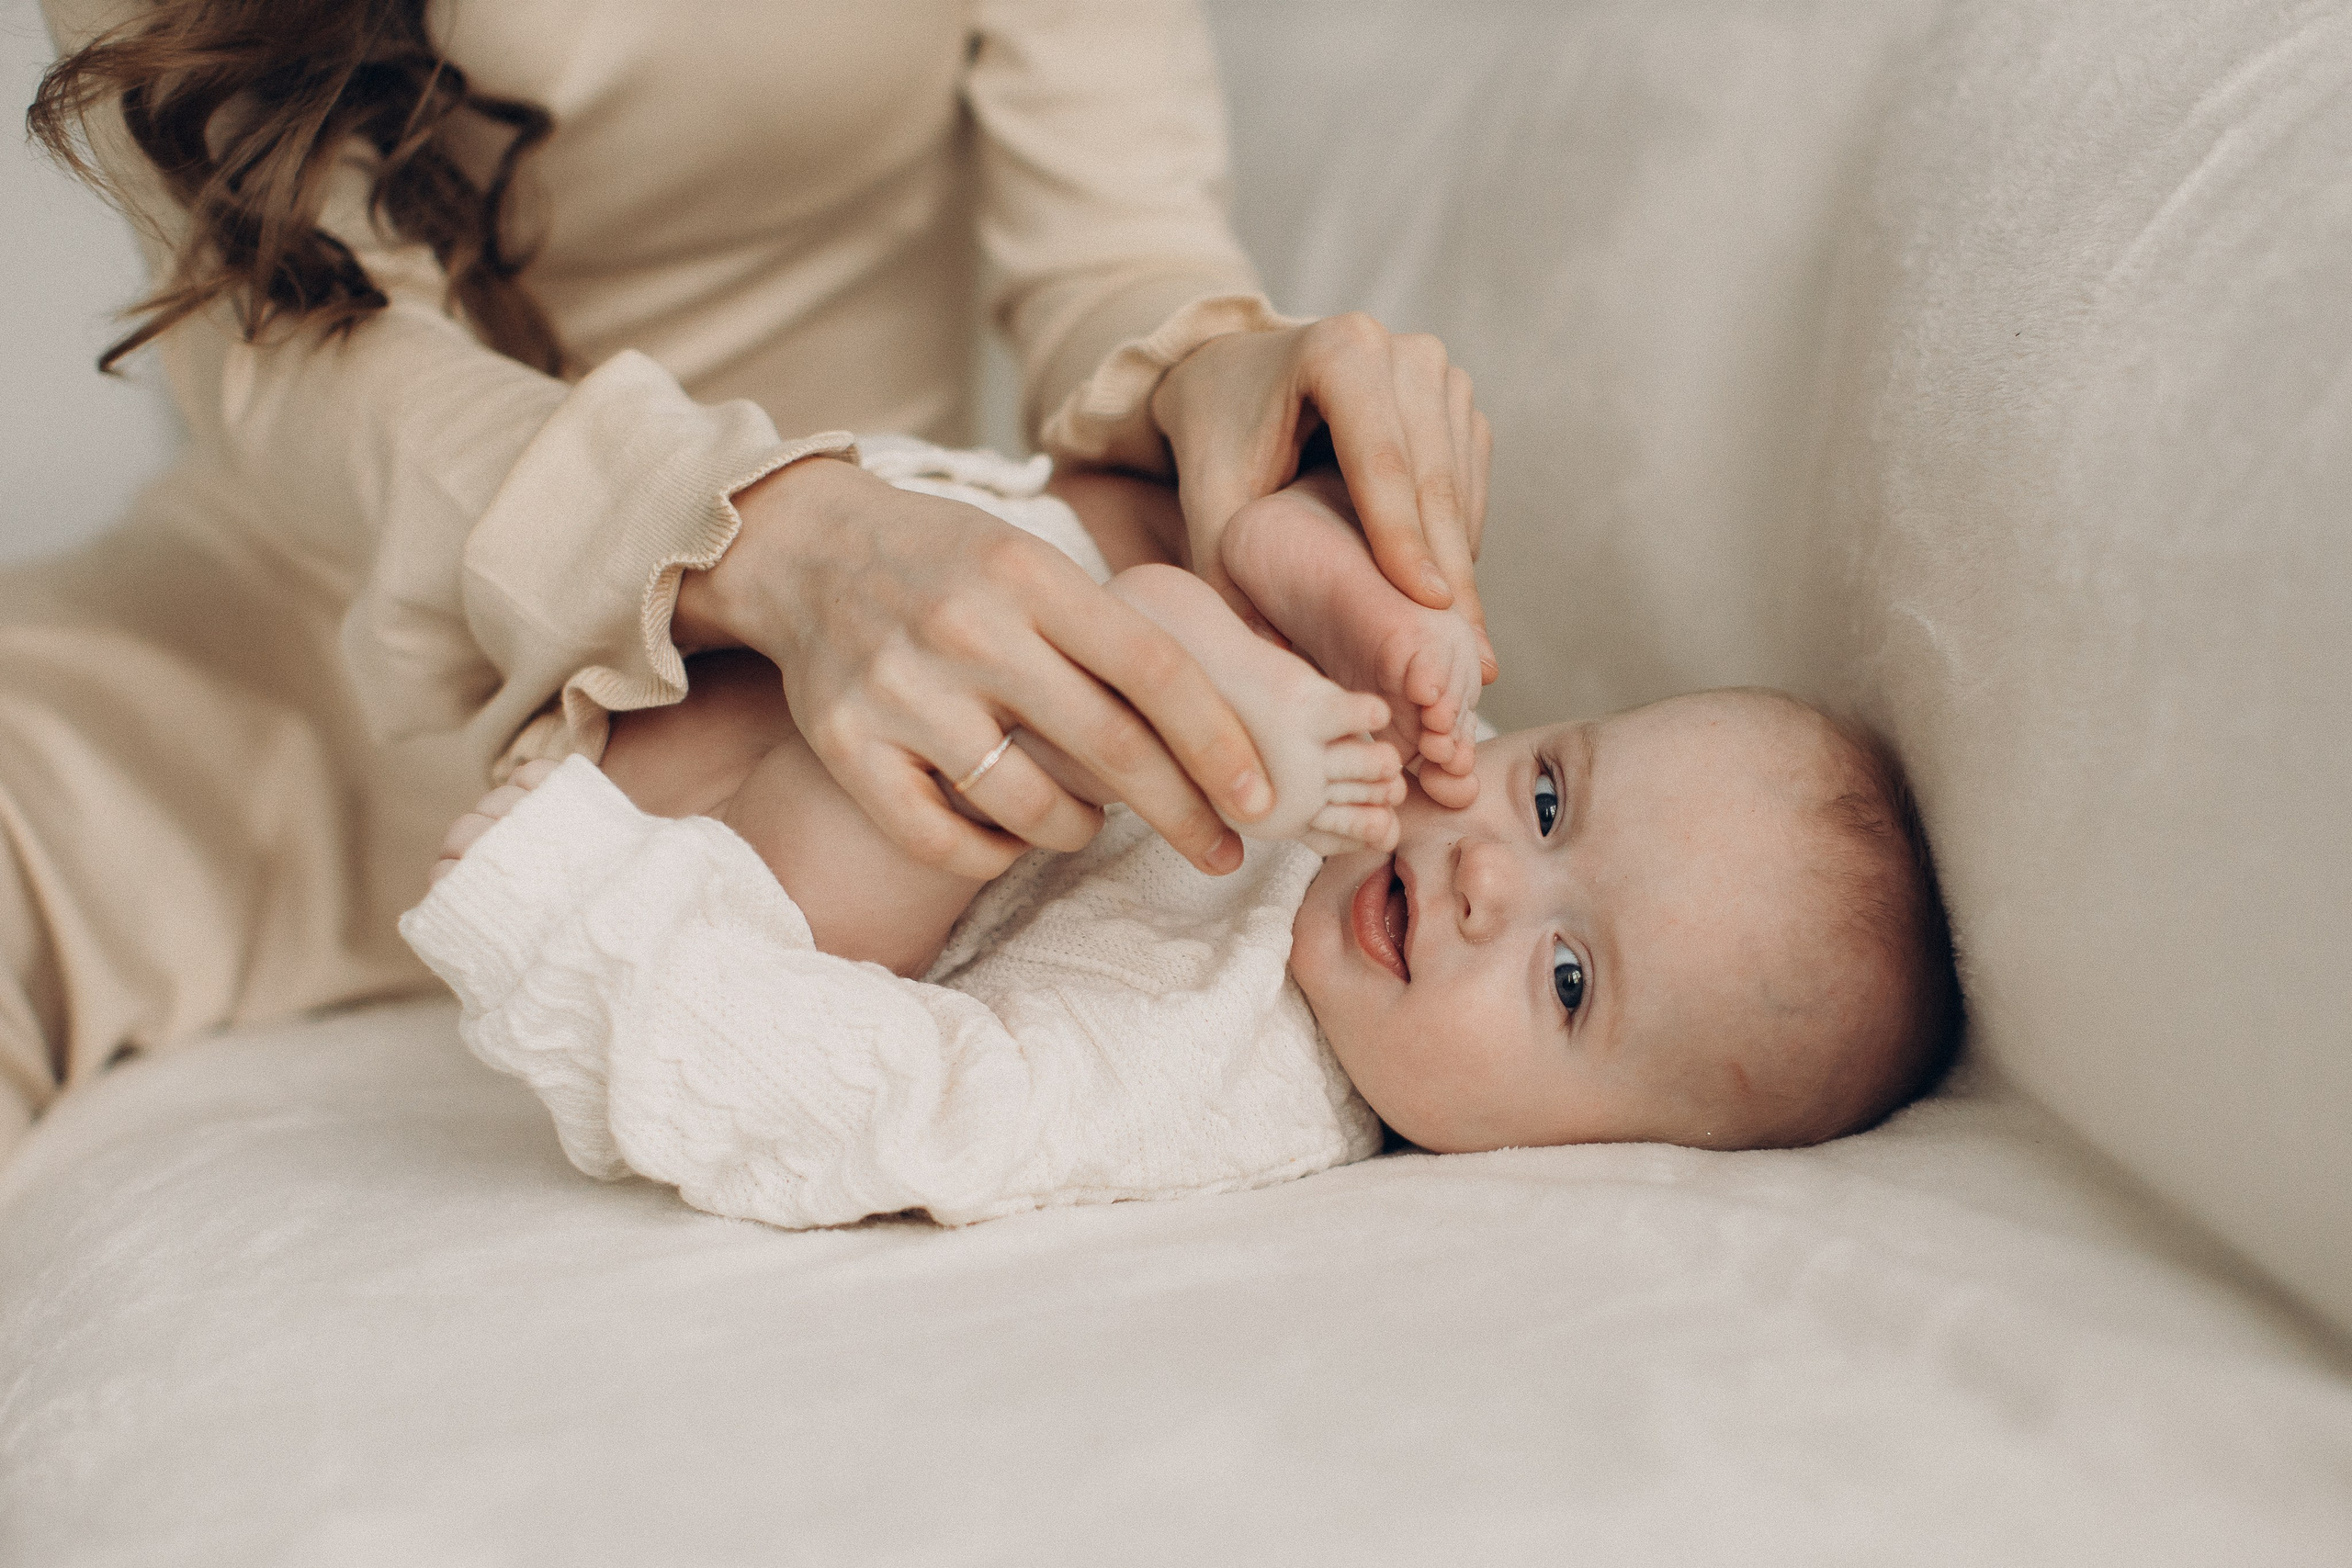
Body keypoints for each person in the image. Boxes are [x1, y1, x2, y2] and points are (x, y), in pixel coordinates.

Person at [2, 0, 1493, 1158]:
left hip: (900, 690)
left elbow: (1113, 233)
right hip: (314, 643)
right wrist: (772, 538)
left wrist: (1221, 385)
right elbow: (300, 341)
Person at [404, 444, 1964, 1229]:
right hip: (760, 613)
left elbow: (928, 1110)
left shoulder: (1226, 1096)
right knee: (1112, 570)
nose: (1491, 869)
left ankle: (609, 860)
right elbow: (1142, 600)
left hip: (709, 866)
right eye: (1550, 795)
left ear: (1588, 1161)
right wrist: (1285, 679)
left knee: (988, 795)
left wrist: (585, 925)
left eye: (1569, 983)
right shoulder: (1380, 789)